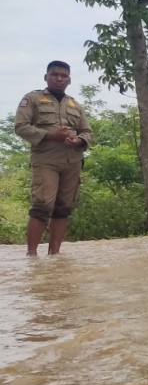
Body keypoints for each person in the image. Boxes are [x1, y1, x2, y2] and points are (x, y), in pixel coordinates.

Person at [14, 60, 93, 256]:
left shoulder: (75, 104)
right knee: (42, 205)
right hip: (46, 160)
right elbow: (21, 126)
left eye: (63, 76)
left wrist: (78, 140)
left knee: (64, 208)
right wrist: (51, 135)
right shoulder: (33, 99)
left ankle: (54, 254)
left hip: (72, 161)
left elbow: (87, 131)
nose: (59, 79)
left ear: (69, 79)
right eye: (55, 74)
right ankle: (31, 255)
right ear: (46, 77)